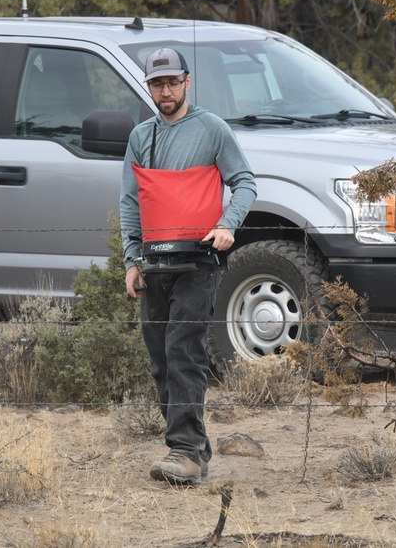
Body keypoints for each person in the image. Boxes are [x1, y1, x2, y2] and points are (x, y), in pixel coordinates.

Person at [120, 47, 256, 485]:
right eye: (157, 84)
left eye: (172, 82)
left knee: (183, 349)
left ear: (187, 82)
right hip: (155, 264)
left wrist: (227, 225)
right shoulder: (141, 137)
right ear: (149, 88)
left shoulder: (212, 129)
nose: (166, 91)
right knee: (161, 357)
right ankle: (193, 446)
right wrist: (131, 259)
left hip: (199, 260)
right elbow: (130, 201)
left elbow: (245, 183)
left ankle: (183, 451)